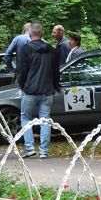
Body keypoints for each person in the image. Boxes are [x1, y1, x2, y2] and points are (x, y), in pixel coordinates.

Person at [17, 23, 60, 159]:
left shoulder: (26, 49)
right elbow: (56, 72)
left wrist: (22, 85)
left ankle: (29, 148)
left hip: (30, 90)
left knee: (25, 118)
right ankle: (43, 151)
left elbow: (22, 71)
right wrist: (55, 86)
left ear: (30, 34)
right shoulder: (52, 50)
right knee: (45, 120)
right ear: (42, 34)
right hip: (47, 90)